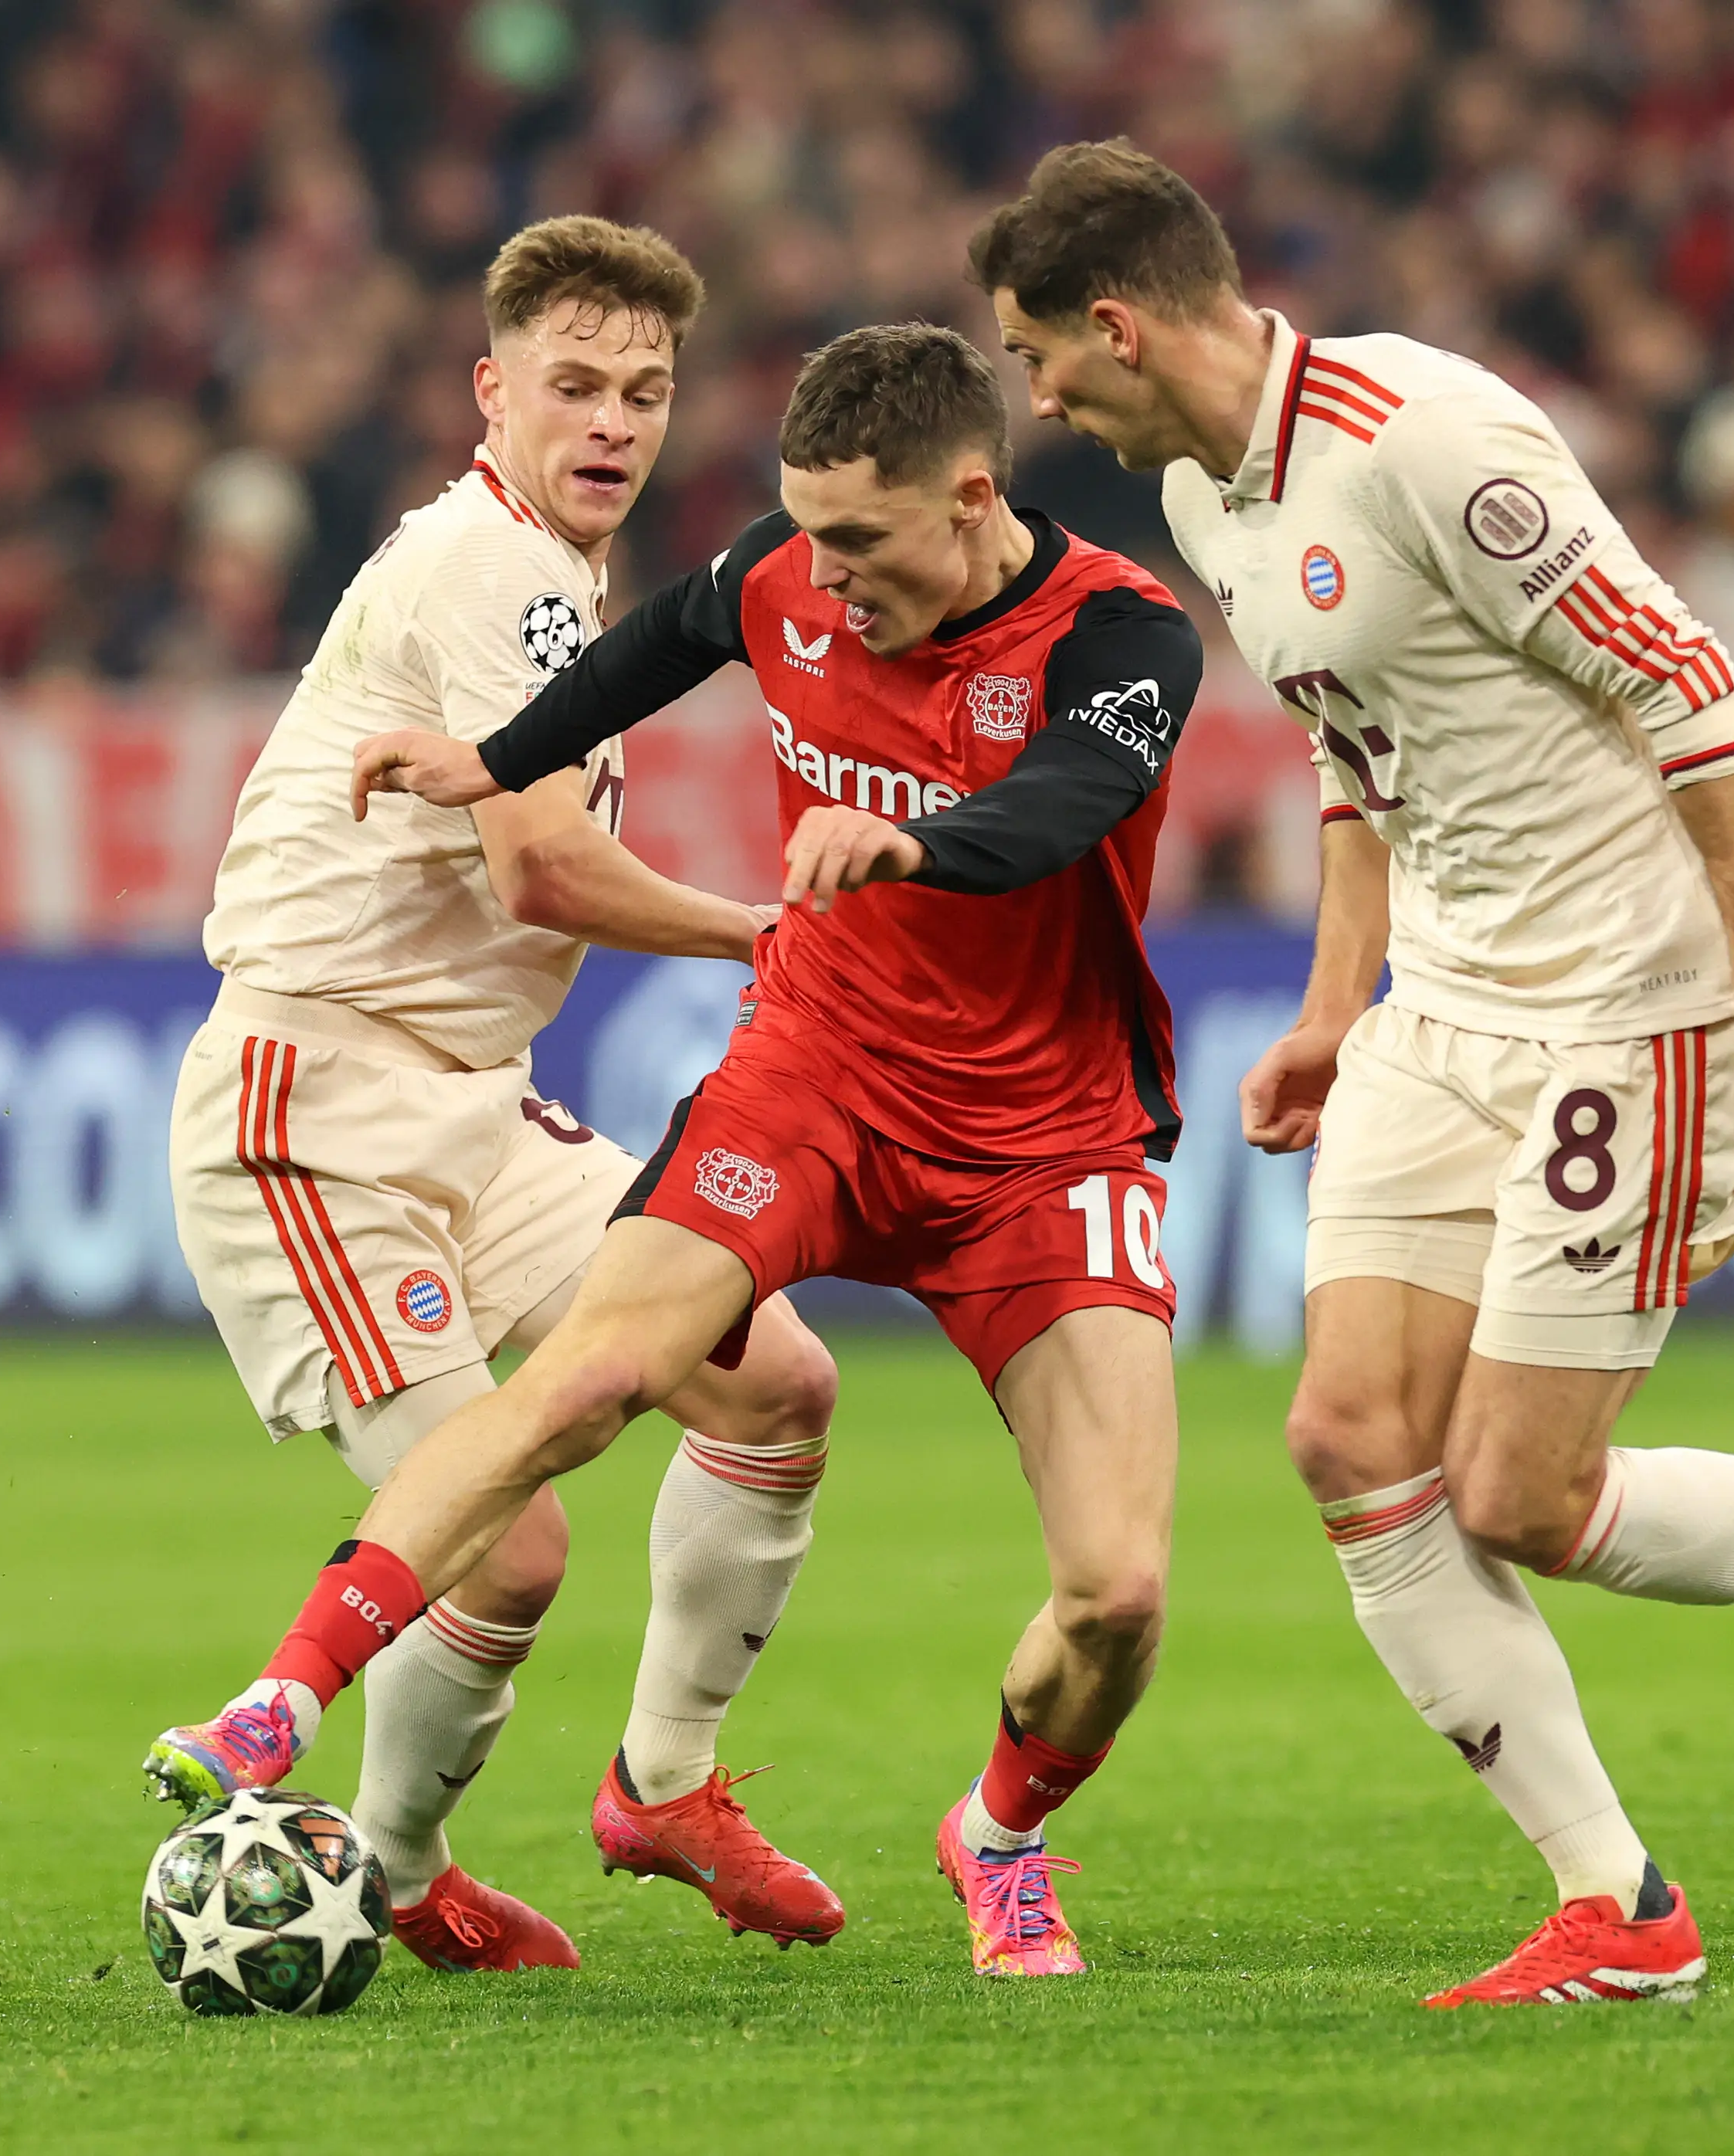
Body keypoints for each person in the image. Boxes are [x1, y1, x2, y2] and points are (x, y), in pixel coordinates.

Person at [974, 141, 1734, 2008]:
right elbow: (1354, 742)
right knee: (1346, 1438)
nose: (1038, 391)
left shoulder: (1423, 436)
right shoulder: (1206, 498)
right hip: (1441, 1009)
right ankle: (1618, 1905)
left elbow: (1688, 683)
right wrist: (1330, 998)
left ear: (1120, 324)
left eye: (1040, 350)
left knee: (1524, 1496)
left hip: (1631, 1007)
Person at [152, 321, 1203, 1981]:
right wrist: (494, 761)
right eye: (804, 530)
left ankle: (994, 1830)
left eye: (858, 539)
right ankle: (282, 1699)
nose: (822, 573)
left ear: (972, 496)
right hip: (822, 1072)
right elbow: (665, 636)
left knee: (1116, 1594)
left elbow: (1065, 805)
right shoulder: (782, 570)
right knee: (587, 1385)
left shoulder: (1123, 636)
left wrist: (912, 839)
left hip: (1041, 1138)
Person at [152, 215, 844, 1969]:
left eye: (646, 390)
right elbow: (541, 871)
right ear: (493, 391)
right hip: (314, 1101)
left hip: (475, 1097)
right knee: (512, 1547)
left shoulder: (557, 580)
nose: (613, 421)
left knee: (770, 1381)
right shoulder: (488, 570)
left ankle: (664, 1780)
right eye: (575, 385)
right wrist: (771, 933)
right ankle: (389, 1862)